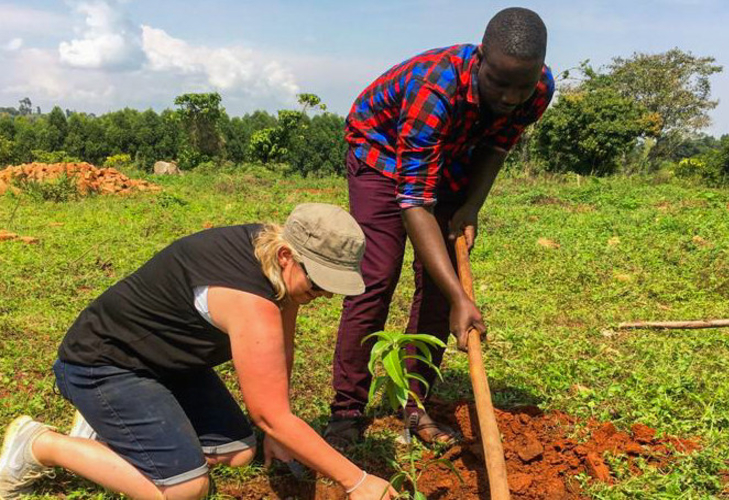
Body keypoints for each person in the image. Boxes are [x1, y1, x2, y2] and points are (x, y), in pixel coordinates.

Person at [0, 203, 396, 500]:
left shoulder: (275, 257)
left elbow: (282, 351)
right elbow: (267, 415)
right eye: (319, 282)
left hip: (166, 363)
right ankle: (40, 444)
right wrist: (356, 481)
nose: (324, 293)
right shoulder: (249, 300)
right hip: (101, 364)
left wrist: (284, 429)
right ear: (287, 256)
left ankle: (112, 426)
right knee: (186, 487)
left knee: (239, 452)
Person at [325, 7, 555, 448]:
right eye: (499, 83)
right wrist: (461, 298)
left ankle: (415, 404)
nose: (510, 97)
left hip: (453, 154)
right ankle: (347, 410)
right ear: (481, 57)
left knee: (436, 282)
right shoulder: (435, 87)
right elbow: (414, 203)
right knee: (376, 275)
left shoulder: (538, 89)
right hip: (382, 151)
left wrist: (470, 206)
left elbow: (496, 145)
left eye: (520, 86)